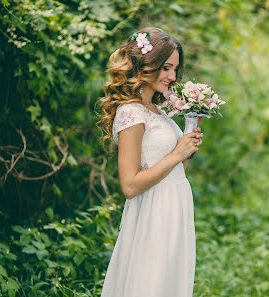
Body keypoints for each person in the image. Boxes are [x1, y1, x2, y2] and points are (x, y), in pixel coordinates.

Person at [96, 27, 203, 297]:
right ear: (147, 64)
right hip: (153, 211)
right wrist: (177, 154)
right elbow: (130, 185)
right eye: (166, 68)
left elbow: (176, 170)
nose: (173, 76)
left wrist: (187, 146)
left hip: (175, 206)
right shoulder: (131, 112)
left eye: (175, 69)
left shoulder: (158, 110)